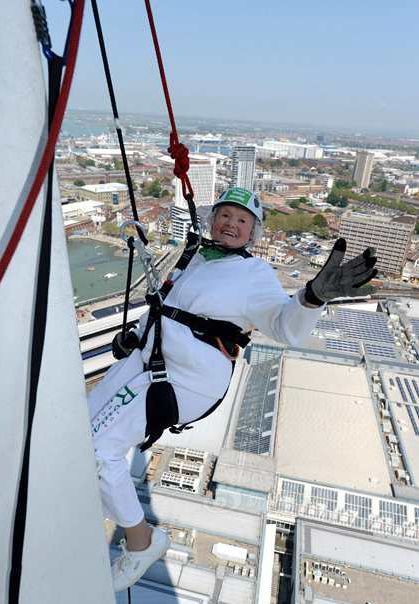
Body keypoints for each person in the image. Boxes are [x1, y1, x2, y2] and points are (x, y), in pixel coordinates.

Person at [88, 187, 377, 591]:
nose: (230, 224)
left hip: (184, 378)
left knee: (99, 452)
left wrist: (312, 297)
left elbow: (284, 325)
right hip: (147, 359)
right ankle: (94, 497)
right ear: (212, 220)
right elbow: (165, 307)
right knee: (81, 428)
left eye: (241, 220)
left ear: (252, 233)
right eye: (224, 215)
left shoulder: (253, 275)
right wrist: (134, 336)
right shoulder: (195, 256)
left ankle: (142, 542)